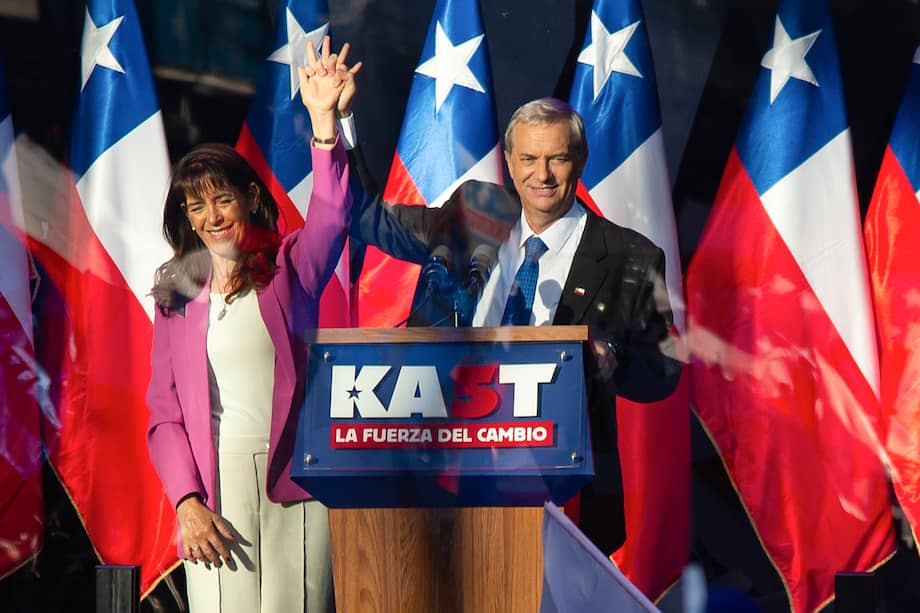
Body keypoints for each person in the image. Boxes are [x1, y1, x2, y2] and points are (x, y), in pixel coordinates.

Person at [348, 96, 681, 554]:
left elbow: (664, 367)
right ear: (507, 161)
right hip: (440, 472)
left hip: (560, 496)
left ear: (580, 160)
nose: (541, 176)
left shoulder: (630, 256)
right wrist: (337, 122)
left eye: (557, 159)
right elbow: (365, 218)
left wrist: (610, 358)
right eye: (528, 159)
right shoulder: (474, 213)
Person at [146, 38, 355, 612]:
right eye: (197, 207)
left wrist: (323, 122)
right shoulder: (177, 295)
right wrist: (188, 501)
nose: (212, 217)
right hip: (217, 487)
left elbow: (334, 215)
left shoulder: (292, 266)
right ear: (185, 219)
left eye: (222, 200)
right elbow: (164, 415)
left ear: (250, 198)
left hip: (299, 484)